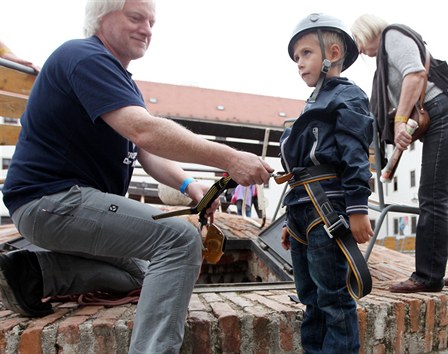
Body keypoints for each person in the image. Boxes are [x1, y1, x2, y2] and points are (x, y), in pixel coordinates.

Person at [0, 1, 272, 353]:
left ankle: (34, 271)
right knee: (179, 241)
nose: (147, 29)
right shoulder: (85, 57)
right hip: (52, 201)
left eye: (151, 22)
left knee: (143, 272)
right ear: (101, 17)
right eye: (136, 17)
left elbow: (146, 152)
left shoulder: (115, 78)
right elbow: (145, 131)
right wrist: (231, 157)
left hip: (61, 208)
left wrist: (192, 187)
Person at [351, 14, 448, 293]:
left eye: (357, 42)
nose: (359, 50)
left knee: (431, 197)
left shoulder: (392, 36)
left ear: (365, 33)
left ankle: (427, 276)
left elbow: (415, 74)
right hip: (443, 116)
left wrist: (400, 121)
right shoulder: (384, 56)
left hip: (442, 113)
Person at [279, 13, 374, 354]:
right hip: (304, 211)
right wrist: (291, 221)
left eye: (305, 53)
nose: (299, 63)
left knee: (334, 299)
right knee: (310, 299)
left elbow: (355, 154)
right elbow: (300, 169)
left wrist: (358, 208)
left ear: (332, 53)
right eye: (296, 58)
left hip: (329, 211)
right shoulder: (313, 103)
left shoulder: (348, 97)